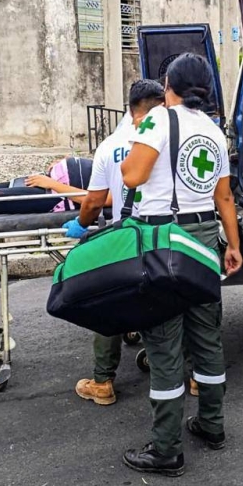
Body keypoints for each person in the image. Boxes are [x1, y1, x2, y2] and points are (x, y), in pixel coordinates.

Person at [118, 53, 243, 477]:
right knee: (206, 334)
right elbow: (224, 197)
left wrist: (128, 152)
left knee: (164, 341)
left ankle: (167, 448)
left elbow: (132, 176)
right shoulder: (214, 131)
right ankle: (211, 425)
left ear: (169, 83)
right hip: (205, 236)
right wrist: (234, 246)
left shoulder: (157, 120)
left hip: (163, 239)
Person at [64, 79, 166, 406]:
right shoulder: (168, 140)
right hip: (162, 233)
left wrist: (81, 226)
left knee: (108, 302)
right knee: (162, 301)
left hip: (124, 234)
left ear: (130, 108)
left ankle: (103, 382)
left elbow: (94, 202)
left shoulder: (110, 145)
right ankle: (181, 373)